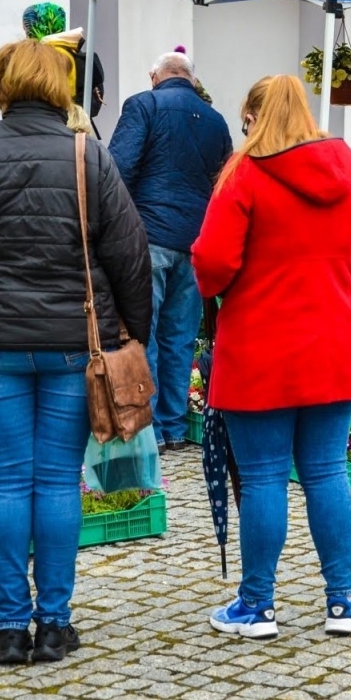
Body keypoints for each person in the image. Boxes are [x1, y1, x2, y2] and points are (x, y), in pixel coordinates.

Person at [0, 39, 151, 666]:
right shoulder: (89, 155)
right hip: (75, 345)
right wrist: (135, 335)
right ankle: (53, 625)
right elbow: (129, 255)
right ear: (61, 86)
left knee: (11, 479)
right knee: (56, 480)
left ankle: (9, 628)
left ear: (3, 84)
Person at [192, 74, 351, 640]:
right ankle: (342, 601)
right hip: (335, 339)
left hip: (259, 344)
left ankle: (257, 605)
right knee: (328, 471)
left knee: (264, 477)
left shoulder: (243, 173)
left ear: (252, 116)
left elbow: (212, 263)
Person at [109, 51, 234, 452]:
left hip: (148, 237)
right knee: (180, 338)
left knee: (142, 334)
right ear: (191, 80)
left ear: (154, 76)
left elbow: (117, 170)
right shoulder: (215, 120)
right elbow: (223, 182)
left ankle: (148, 431)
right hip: (195, 242)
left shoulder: (143, 105)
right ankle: (174, 427)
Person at [23, 1, 105, 136]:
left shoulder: (40, 60)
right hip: (76, 130)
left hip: (47, 131)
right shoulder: (75, 55)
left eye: (26, 29)